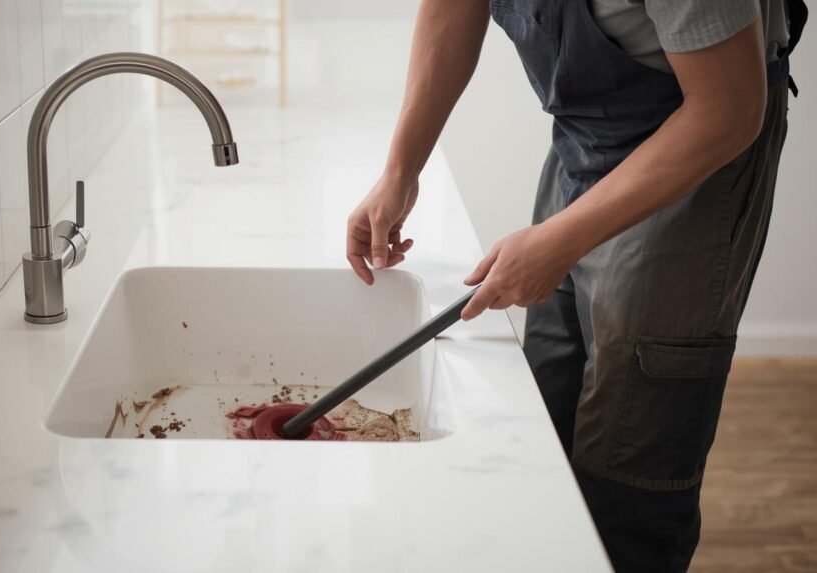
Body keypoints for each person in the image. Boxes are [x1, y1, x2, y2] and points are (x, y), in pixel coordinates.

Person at [345, 1, 807, 571]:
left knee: (627, 463)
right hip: (590, 135)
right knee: (543, 411)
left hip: (702, 147)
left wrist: (561, 241)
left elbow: (730, 111)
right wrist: (401, 168)